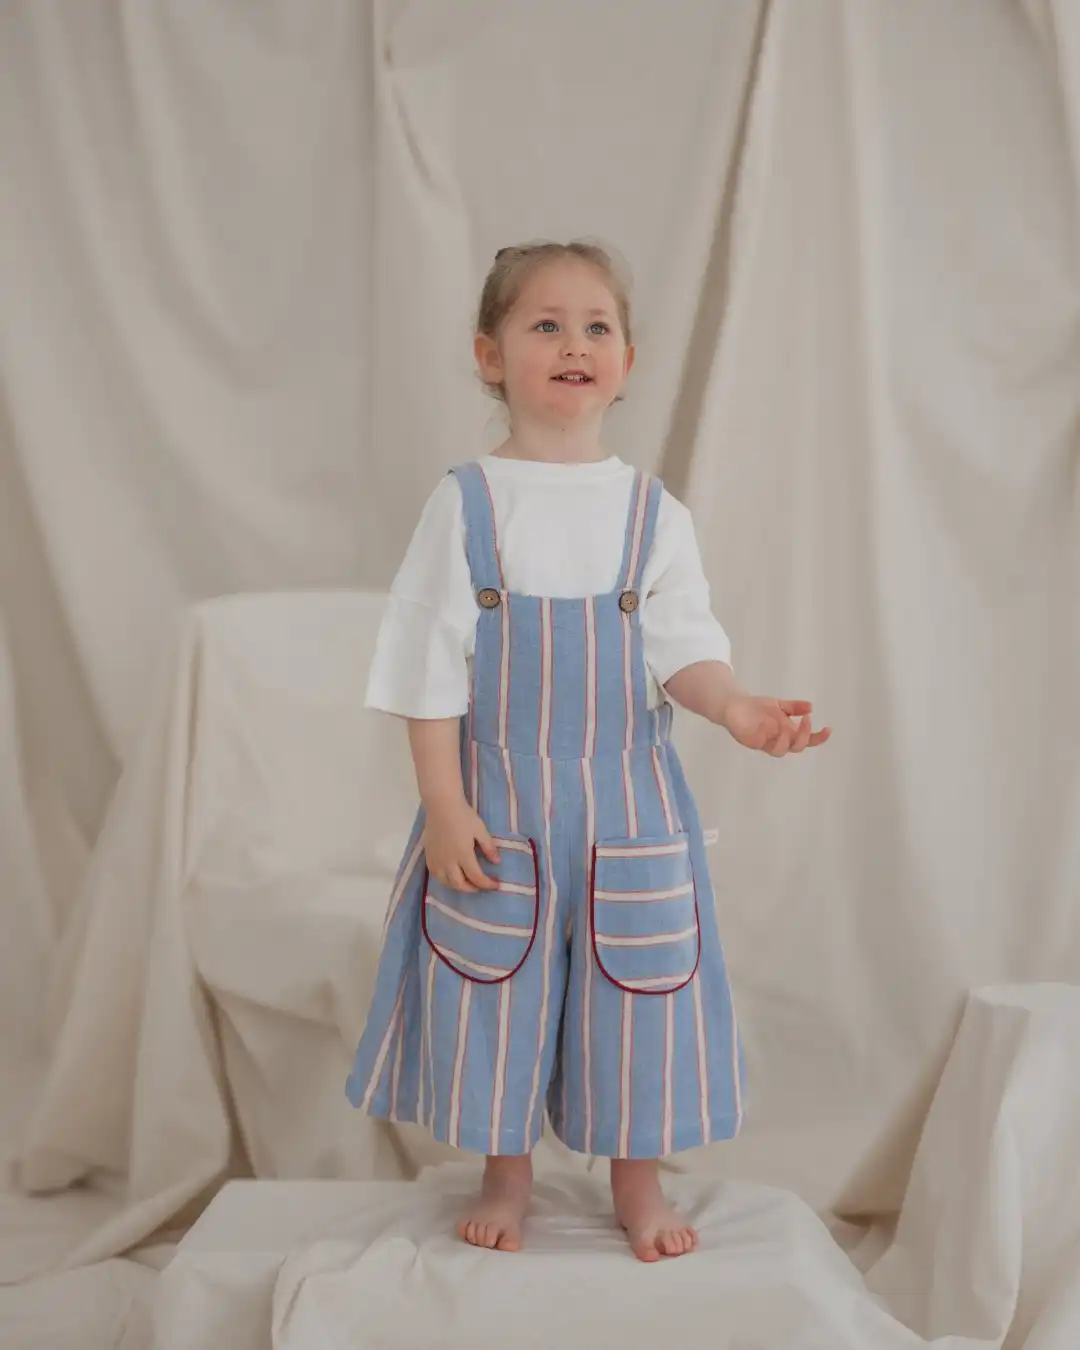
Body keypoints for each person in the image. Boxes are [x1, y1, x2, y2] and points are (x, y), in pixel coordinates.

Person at [346, 240, 830, 1262]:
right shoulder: (466, 504)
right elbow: (426, 671)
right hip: (497, 803)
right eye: (546, 325)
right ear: (490, 355)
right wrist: (445, 807)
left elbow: (684, 649)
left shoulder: (652, 513)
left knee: (638, 998)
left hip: (629, 810)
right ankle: (506, 1174)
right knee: (497, 991)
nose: (575, 344)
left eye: (596, 327)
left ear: (627, 361)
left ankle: (637, 1183)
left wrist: (736, 707)